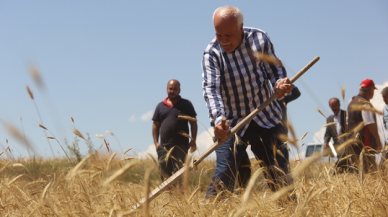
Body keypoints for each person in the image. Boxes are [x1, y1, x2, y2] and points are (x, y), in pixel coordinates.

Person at [202, 6, 293, 198]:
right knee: (224, 175)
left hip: (266, 117)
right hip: (232, 124)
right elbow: (212, 89)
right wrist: (219, 120)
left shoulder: (259, 39)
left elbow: (275, 69)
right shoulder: (212, 53)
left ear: (240, 29)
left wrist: (280, 83)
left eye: (228, 35)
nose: (223, 40)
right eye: (218, 35)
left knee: (280, 174)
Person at [238, 85, 301, 188]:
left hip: (281, 134)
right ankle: (275, 185)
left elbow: (296, 93)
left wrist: (288, 84)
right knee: (270, 161)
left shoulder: (283, 100)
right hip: (267, 134)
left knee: (283, 163)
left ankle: (285, 186)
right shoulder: (267, 102)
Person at [152, 79, 197, 181]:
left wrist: (193, 140)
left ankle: (179, 196)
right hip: (164, 146)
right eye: (170, 89)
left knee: (180, 174)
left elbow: (193, 123)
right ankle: (168, 196)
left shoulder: (186, 104)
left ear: (179, 90)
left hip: (181, 146)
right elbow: (155, 125)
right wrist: (156, 143)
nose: (172, 91)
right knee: (164, 174)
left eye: (175, 89)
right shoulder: (160, 106)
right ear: (167, 89)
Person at [347, 79, 382, 173]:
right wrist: (378, 141)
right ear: (370, 91)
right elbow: (369, 123)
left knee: (359, 174)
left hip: (353, 143)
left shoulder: (351, 103)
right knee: (371, 174)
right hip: (365, 144)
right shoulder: (365, 104)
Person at [323, 98, 349, 173]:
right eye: (332, 106)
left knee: (345, 161)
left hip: (348, 144)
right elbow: (327, 133)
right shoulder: (329, 119)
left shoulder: (346, 114)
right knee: (343, 161)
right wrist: (326, 142)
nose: (334, 108)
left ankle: (335, 174)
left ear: (339, 105)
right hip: (337, 145)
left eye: (335, 106)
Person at [380, 87, 388, 168]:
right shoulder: (384, 109)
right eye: (383, 97)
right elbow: (384, 124)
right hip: (387, 141)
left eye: (385, 96)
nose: (384, 99)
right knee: (382, 165)